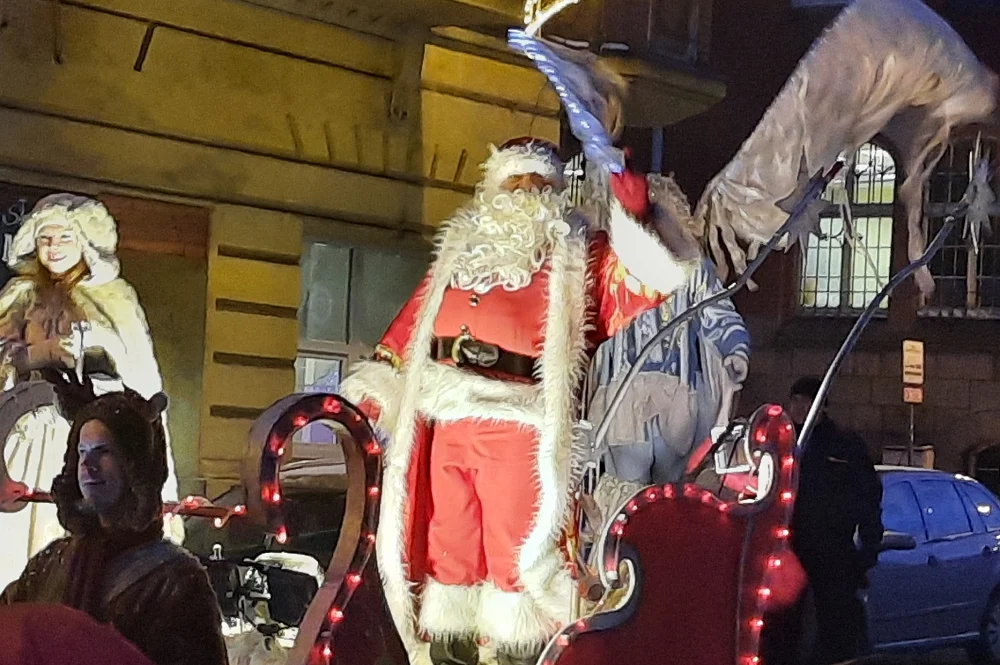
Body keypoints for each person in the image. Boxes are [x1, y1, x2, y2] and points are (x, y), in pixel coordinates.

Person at [341, 136, 696, 665]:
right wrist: (375, 391)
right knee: (449, 543)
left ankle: (518, 655)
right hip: (443, 421)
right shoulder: (459, 250)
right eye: (517, 180)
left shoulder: (580, 254)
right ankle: (451, 652)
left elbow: (650, 279)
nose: (527, 191)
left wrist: (636, 214)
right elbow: (409, 332)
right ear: (494, 186)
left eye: (540, 182)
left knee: (519, 554)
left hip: (519, 422)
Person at [0, 194, 180, 589]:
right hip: (26, 432)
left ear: (84, 240)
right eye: (46, 238)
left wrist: (98, 343)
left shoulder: (114, 297)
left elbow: (137, 372)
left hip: (85, 435)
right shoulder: (21, 295)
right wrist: (30, 356)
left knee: (71, 527)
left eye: (64, 237)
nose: (54, 247)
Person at [0, 378, 227, 665]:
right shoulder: (51, 562)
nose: (88, 465)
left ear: (135, 465)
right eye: (82, 452)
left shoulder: (175, 580)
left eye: (103, 451)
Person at [786, 375, 884, 665]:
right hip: (789, 547)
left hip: (833, 550)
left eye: (808, 401)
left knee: (835, 622)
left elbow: (867, 494)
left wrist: (868, 546)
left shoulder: (844, 445)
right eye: (796, 401)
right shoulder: (782, 444)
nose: (801, 408)